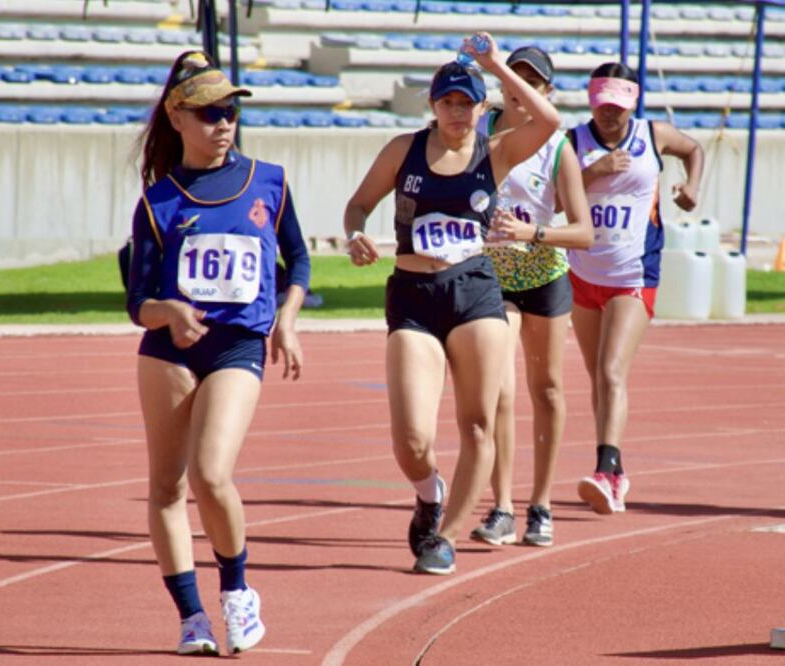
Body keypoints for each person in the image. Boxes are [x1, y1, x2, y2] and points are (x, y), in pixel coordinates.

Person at [344, 33, 561, 575]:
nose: (458, 113)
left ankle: (447, 537)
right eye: (449, 103)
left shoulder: (498, 151)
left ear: (482, 106)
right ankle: (428, 491)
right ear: (433, 106)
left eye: (468, 103)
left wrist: (494, 66)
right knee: (412, 437)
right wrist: (354, 235)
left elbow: (550, 121)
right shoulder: (404, 150)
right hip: (414, 294)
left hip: (475, 290)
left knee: (478, 426)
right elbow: (358, 205)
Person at [126, 50, 310, 654]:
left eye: (230, 110)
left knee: (211, 473)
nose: (223, 122)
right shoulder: (159, 202)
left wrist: (286, 319)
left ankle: (236, 591)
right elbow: (137, 303)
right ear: (177, 118)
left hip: (238, 344)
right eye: (208, 113)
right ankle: (191, 618)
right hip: (169, 350)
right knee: (166, 488)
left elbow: (299, 262)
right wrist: (169, 313)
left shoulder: (270, 181)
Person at [467, 46, 593, 548]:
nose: (520, 90)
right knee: (497, 388)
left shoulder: (559, 147)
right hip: (491, 276)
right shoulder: (479, 131)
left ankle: (540, 504)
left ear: (546, 94)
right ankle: (500, 506)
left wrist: (531, 232)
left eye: (531, 83)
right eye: (512, 80)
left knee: (548, 390)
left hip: (542, 273)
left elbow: (584, 232)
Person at [566, 62, 703, 515]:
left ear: (633, 103)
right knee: (597, 378)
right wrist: (594, 171)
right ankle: (614, 470)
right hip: (585, 273)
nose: (610, 114)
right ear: (592, 101)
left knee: (610, 373)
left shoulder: (654, 134)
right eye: (603, 105)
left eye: (619, 107)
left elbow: (694, 149)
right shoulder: (573, 141)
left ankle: (607, 471)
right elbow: (555, 192)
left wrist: (692, 187)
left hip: (633, 274)